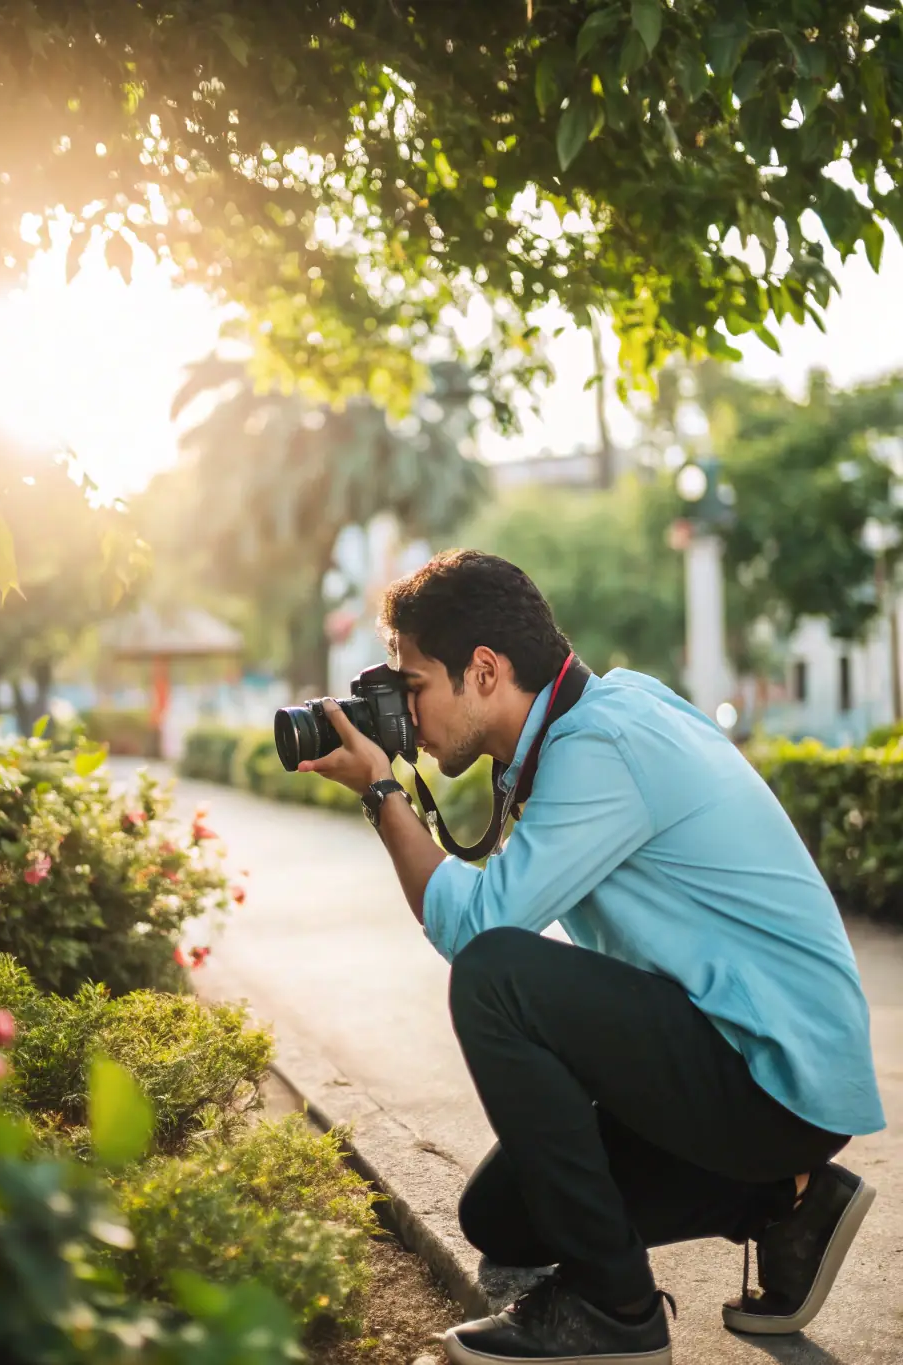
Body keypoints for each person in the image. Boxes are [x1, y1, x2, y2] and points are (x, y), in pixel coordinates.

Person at [296, 549, 884, 1365]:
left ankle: (617, 1311)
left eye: (415, 686)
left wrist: (381, 792)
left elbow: (479, 929)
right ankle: (786, 1206)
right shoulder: (610, 708)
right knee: (502, 1216)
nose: (407, 715)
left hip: (773, 1075)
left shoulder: (600, 743)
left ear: (487, 670)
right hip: (755, 1063)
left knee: (496, 977)